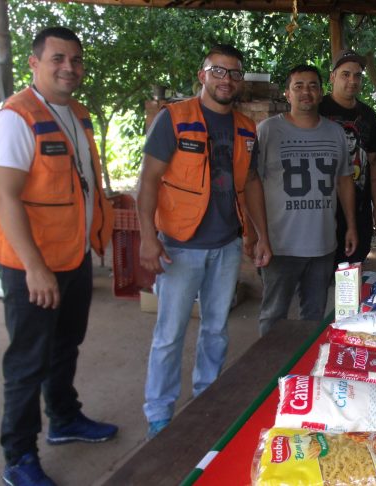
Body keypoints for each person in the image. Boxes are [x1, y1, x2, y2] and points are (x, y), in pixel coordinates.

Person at [0, 27, 118, 485]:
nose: (70, 67)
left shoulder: (77, 113)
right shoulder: (16, 117)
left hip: (73, 257)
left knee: (66, 345)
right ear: (34, 63)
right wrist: (34, 268)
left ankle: (64, 419)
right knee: (28, 362)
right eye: (58, 59)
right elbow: (4, 197)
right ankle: (18, 458)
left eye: (76, 59)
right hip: (33, 265)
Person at [137, 44, 271, 439]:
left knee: (216, 330)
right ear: (203, 75)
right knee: (169, 335)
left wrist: (260, 235)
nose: (226, 79)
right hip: (180, 246)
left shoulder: (246, 127)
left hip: (226, 246)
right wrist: (148, 237)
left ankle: (206, 399)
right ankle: (159, 415)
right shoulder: (174, 119)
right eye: (218, 71)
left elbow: (251, 183)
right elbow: (148, 179)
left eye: (234, 73)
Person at [253, 64, 357, 336]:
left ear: (321, 92)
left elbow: (344, 180)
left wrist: (351, 226)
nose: (306, 92)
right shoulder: (267, 131)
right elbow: (251, 185)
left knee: (313, 317)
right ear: (287, 93)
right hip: (280, 245)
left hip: (322, 244)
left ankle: (305, 362)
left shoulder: (335, 132)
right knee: (274, 315)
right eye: (298, 86)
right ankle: (271, 363)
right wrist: (255, 235)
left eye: (312, 86)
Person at [319, 49, 376, 266]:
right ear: (332, 77)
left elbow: (373, 162)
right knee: (320, 273)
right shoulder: (317, 110)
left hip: (359, 209)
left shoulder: (368, 115)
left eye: (357, 76)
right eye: (345, 74)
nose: (352, 80)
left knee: (353, 271)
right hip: (323, 210)